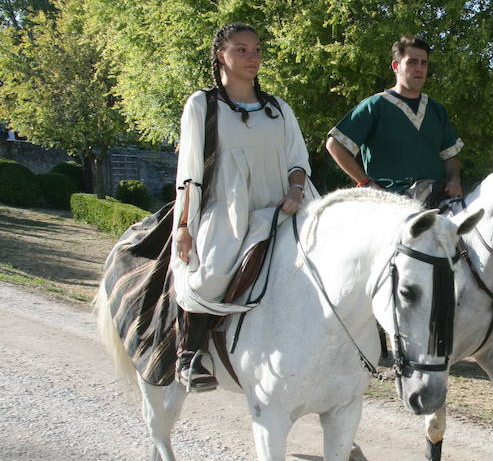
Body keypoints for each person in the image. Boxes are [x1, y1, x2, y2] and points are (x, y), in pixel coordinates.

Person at [171, 23, 316, 390]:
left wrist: (297, 192)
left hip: (282, 205)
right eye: (241, 49)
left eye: (256, 49)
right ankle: (190, 356)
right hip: (228, 209)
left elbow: (297, 161)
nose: (252, 57)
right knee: (211, 273)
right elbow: (189, 172)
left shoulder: (278, 108)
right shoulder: (202, 105)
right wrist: (184, 226)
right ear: (221, 54)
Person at [325, 35, 463, 206]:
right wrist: (366, 183)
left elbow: (450, 156)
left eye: (424, 63)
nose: (419, 68)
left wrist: (454, 180)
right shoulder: (375, 106)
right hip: (389, 206)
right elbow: (335, 145)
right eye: (412, 62)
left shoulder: (436, 110)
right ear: (396, 66)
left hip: (436, 202)